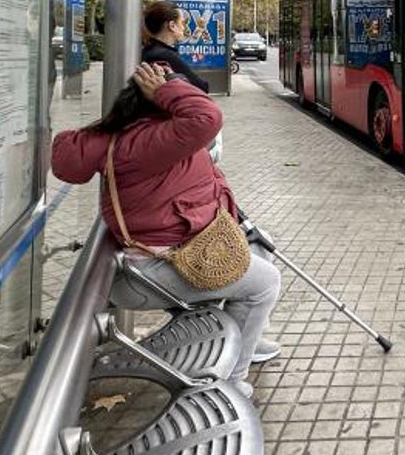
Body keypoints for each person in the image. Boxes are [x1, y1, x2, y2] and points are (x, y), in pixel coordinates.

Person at [50, 62, 280, 397]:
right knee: (265, 284)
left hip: (157, 260)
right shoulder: (152, 140)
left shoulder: (123, 136)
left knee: (259, 251)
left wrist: (109, 124)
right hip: (159, 269)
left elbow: (67, 156)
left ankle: (245, 340)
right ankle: (229, 382)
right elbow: (207, 118)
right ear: (161, 102)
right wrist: (166, 89)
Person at [142, 0, 211, 93]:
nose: (184, 27)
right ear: (172, 26)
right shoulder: (165, 56)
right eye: (182, 23)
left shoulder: (148, 50)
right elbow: (201, 87)